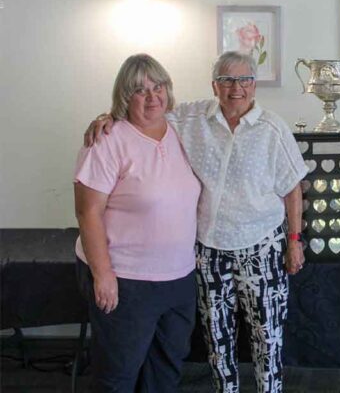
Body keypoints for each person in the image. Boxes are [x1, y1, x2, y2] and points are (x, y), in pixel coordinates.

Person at [85, 51, 308, 393]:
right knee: (218, 345)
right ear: (214, 85)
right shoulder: (189, 119)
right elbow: (143, 112)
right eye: (227, 80)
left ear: (255, 85)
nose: (237, 88)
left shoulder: (272, 128)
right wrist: (108, 117)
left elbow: (292, 188)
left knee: (267, 340)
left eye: (245, 79)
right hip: (208, 252)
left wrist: (294, 240)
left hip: (259, 247)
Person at [74, 53, 200, 391]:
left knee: (165, 373)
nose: (152, 96)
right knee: (118, 376)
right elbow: (88, 212)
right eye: (140, 90)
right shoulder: (107, 139)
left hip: (179, 278)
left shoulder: (183, 130)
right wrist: (103, 275)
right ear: (124, 96)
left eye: (158, 87)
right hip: (127, 281)